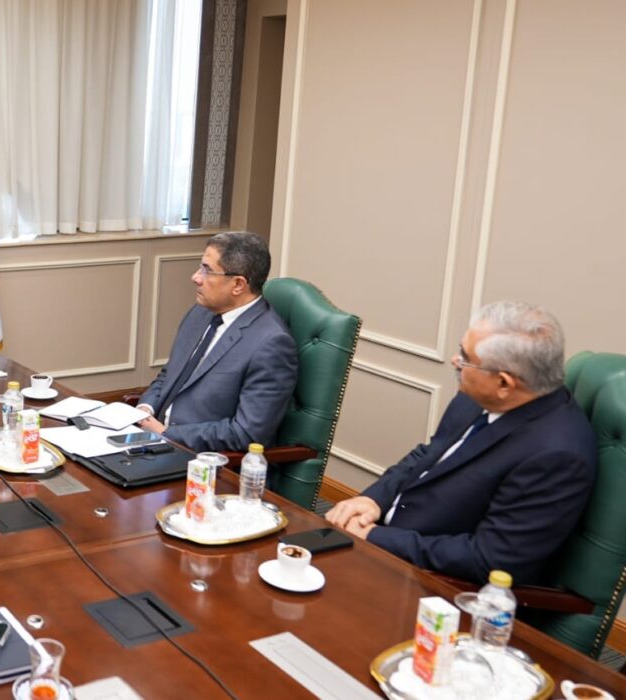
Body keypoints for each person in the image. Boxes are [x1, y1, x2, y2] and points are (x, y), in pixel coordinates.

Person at [326, 301, 596, 584]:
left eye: (465, 358)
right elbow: (429, 454)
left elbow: (489, 559)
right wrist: (374, 499)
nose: (455, 361)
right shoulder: (480, 396)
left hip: (432, 581)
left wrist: (375, 537)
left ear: (504, 383)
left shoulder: (557, 455)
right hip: (388, 539)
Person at [136, 231, 298, 451]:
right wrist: (145, 409)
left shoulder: (271, 344)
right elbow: (169, 374)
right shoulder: (200, 312)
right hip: (152, 441)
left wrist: (166, 433)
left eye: (207, 270)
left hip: (203, 458)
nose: (196, 277)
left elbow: (245, 433)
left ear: (238, 284)